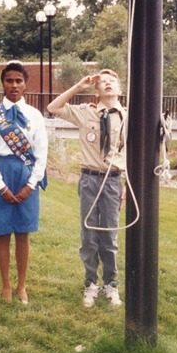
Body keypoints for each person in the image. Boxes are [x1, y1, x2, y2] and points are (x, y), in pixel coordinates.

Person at [47, 70, 126, 308]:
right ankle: (91, 283)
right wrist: (79, 86)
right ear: (97, 90)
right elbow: (53, 107)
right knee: (89, 236)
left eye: (113, 81)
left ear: (120, 90)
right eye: (103, 82)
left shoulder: (128, 117)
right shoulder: (86, 112)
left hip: (113, 181)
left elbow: (132, 153)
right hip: (89, 179)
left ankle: (111, 284)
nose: (108, 84)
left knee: (109, 237)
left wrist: (127, 186)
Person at [0, 61, 48, 304]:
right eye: (9, 81)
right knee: (2, 233)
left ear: (25, 84)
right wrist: (1, 186)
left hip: (26, 176)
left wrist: (31, 185)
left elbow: (41, 154)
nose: (14, 85)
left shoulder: (35, 116)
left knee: (23, 233)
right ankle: (6, 285)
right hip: (1, 175)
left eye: (19, 81)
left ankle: (21, 286)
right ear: (3, 84)